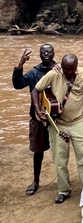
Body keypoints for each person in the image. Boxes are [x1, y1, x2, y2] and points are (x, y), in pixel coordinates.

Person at [32, 54, 83, 204]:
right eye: (66, 69)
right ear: (61, 66)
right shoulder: (54, 73)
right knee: (60, 160)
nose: (68, 72)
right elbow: (36, 90)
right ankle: (63, 190)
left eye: (72, 69)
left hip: (79, 120)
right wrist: (37, 109)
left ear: (77, 67)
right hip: (58, 123)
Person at [11, 44, 57, 195]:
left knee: (60, 151)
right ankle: (36, 180)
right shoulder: (34, 72)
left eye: (48, 51)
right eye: (43, 52)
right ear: (39, 54)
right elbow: (18, 85)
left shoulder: (59, 69)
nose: (46, 54)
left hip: (57, 116)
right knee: (38, 151)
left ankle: (63, 180)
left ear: (53, 53)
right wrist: (20, 64)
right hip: (38, 117)